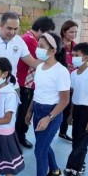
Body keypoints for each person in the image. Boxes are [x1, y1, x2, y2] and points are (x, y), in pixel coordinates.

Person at [24, 32, 70, 176]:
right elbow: (37, 91)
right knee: (43, 145)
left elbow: (64, 100)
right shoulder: (40, 68)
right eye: (38, 45)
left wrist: (48, 117)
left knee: (40, 151)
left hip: (51, 114)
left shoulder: (61, 71)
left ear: (53, 51)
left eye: (42, 47)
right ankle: (56, 171)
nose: (38, 49)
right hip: (38, 110)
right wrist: (30, 111)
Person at [0, 11, 40, 102]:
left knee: (12, 116)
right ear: (1, 25)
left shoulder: (19, 42)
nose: (12, 32)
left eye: (15, 29)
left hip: (13, 89)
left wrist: (49, 57)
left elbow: (32, 62)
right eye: (9, 28)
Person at [62, 42, 88, 176]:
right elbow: (73, 94)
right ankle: (79, 164)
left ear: (86, 57)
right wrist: (71, 113)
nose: (73, 57)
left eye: (76, 55)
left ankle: (75, 171)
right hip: (76, 110)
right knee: (77, 141)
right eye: (73, 54)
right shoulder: (73, 74)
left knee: (81, 143)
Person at [16, 16, 55, 149]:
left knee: (24, 113)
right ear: (40, 30)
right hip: (25, 83)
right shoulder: (30, 40)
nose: (47, 39)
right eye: (47, 34)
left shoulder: (29, 38)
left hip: (28, 82)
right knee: (22, 114)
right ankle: (19, 138)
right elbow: (37, 61)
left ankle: (20, 137)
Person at [58, 20, 78, 143]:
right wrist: (65, 67)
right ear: (64, 31)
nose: (73, 34)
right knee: (56, 106)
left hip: (71, 82)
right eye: (71, 32)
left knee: (68, 108)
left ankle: (63, 132)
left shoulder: (76, 46)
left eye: (75, 32)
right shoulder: (58, 45)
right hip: (59, 82)